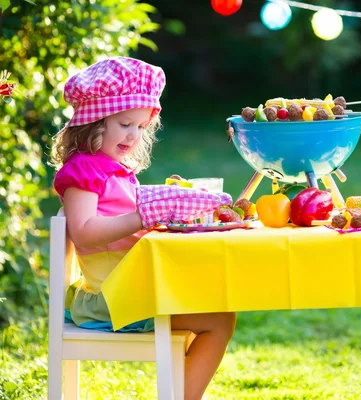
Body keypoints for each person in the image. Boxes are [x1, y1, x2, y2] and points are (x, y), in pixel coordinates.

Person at [50, 57, 236, 400]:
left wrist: (169, 206)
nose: (133, 135)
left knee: (214, 302)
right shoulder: (83, 171)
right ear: (95, 121)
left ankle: (180, 392)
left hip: (129, 288)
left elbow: (125, 215)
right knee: (220, 320)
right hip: (112, 298)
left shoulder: (111, 169)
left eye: (140, 126)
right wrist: (145, 215)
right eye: (125, 124)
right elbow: (85, 231)